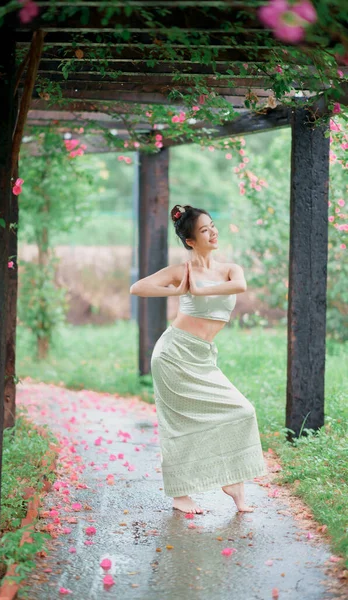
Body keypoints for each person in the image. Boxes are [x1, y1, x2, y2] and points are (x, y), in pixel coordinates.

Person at [130, 204, 268, 515]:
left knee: (242, 410)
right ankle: (181, 494)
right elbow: (137, 287)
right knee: (179, 427)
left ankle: (233, 481)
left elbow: (240, 286)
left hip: (203, 357)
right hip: (173, 354)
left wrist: (200, 292)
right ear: (191, 240)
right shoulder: (183, 271)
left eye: (213, 226)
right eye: (204, 230)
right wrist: (178, 290)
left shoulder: (229, 269)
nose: (213, 232)